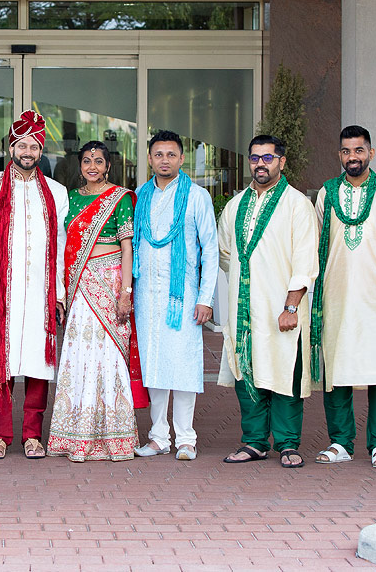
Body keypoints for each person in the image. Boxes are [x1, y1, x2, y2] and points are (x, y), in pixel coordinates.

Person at [0, 110, 69, 460]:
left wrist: (58, 293)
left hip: (39, 294)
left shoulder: (56, 192)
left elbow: (60, 245)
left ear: (42, 152)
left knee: (39, 366)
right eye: (21, 145)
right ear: (11, 147)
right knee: (1, 364)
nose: (27, 152)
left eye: (34, 146)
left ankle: (32, 435)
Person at [217, 135, 319, 469]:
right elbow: (225, 254)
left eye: (268, 158)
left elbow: (306, 261)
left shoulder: (296, 205)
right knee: (247, 372)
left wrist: (291, 305)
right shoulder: (235, 206)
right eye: (255, 158)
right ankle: (255, 441)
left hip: (282, 309)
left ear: (282, 162)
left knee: (285, 372)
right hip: (245, 308)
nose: (261, 164)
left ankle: (288, 443)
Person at [309, 126, 376, 468]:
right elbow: (318, 241)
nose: (353, 157)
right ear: (340, 155)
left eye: (359, 151)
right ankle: (340, 442)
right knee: (337, 368)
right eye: (347, 151)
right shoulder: (327, 193)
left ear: (371, 153)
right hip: (336, 295)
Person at [48, 141, 139, 461]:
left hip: (110, 282)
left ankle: (114, 437)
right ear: (79, 165)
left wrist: (126, 293)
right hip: (78, 284)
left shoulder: (121, 198)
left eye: (98, 161)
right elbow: (62, 246)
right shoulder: (70, 199)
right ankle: (75, 435)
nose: (92, 166)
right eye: (86, 161)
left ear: (108, 166)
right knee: (78, 354)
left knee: (109, 357)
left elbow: (128, 248)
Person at [132, 130, 218, 461]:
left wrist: (206, 298)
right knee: (153, 364)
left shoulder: (197, 197)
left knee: (182, 366)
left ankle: (185, 438)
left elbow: (210, 250)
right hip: (146, 296)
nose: (164, 160)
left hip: (183, 296)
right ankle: (157, 437)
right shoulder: (140, 196)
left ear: (182, 159)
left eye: (171, 154)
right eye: (158, 154)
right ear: (150, 159)